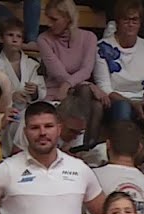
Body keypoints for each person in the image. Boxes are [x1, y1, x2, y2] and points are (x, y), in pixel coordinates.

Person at [36, 0, 102, 142]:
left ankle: (85, 146)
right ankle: (78, 143)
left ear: (68, 18)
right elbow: (58, 73)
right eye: (48, 18)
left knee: (95, 104)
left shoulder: (89, 38)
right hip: (57, 91)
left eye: (54, 19)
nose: (49, 24)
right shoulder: (43, 39)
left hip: (77, 91)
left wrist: (68, 84)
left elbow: (87, 70)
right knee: (89, 96)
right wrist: (88, 84)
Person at [93, 0, 144, 127]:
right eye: (126, 20)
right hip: (115, 102)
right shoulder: (102, 47)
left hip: (142, 100)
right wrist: (132, 104)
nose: (130, 24)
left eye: (135, 20)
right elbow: (104, 88)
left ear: (140, 23)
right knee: (123, 107)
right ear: (117, 22)